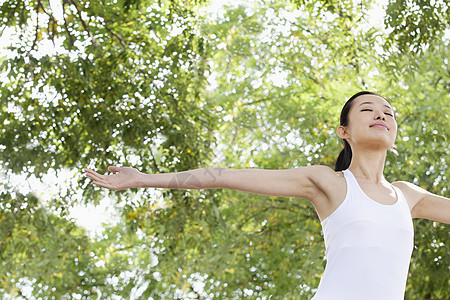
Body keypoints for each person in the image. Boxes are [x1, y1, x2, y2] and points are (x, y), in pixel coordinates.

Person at [84, 91, 450, 299]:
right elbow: (223, 177)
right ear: (345, 131)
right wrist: (145, 178)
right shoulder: (329, 182)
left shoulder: (408, 195)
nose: (382, 115)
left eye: (389, 112)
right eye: (368, 110)